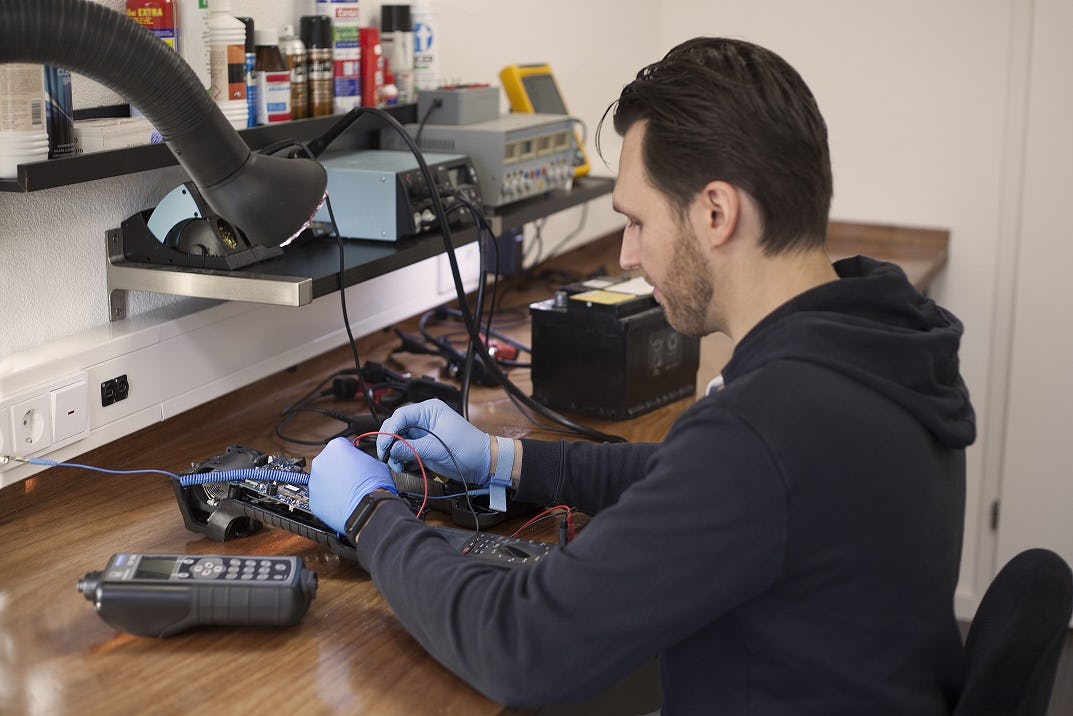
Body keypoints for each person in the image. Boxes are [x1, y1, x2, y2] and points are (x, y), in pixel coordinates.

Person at [308, 37, 976, 714]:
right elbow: (688, 477)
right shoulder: (877, 337)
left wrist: (371, 515)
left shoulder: (769, 432)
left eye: (636, 220)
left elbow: (521, 645)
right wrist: (504, 459)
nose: (627, 254)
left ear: (716, 213)